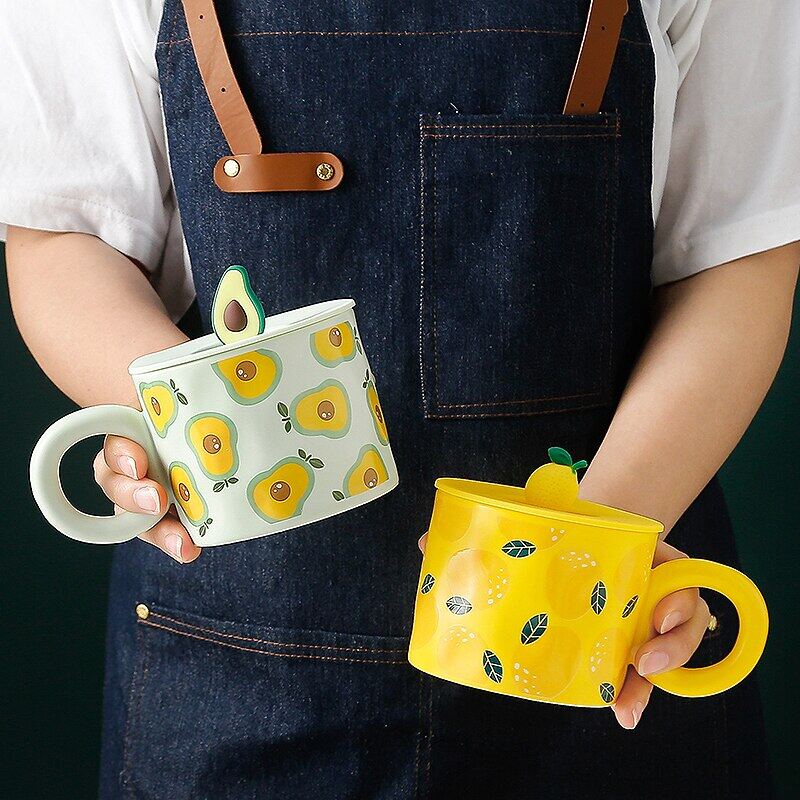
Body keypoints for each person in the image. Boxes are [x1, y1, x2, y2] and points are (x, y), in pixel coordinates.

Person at [2, 1, 798, 797]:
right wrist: (174, 411)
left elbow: (739, 248)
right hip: (229, 660)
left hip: (598, 643)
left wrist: (598, 541)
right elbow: (66, 232)